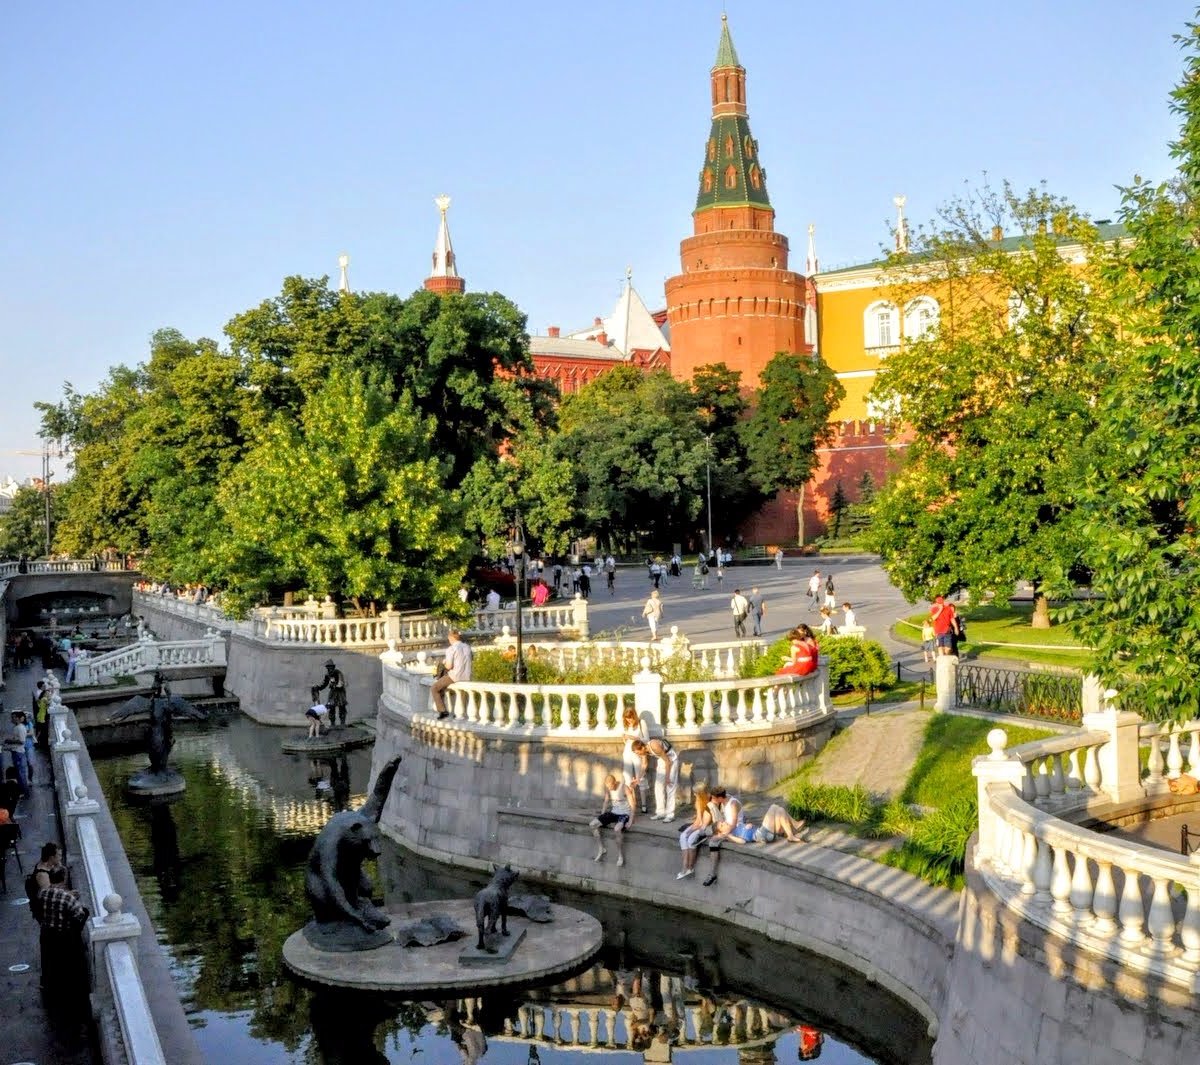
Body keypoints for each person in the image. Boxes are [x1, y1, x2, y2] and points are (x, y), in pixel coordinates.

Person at [37, 865, 89, 992]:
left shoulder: (42, 893)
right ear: (63, 879)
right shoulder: (68, 898)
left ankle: (46, 983)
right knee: (85, 912)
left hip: (46, 933)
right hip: (63, 935)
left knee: (47, 959)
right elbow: (79, 915)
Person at [590, 772, 637, 866]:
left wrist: (631, 820)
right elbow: (606, 801)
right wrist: (602, 816)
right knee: (592, 824)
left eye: (610, 786)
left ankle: (620, 855)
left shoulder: (624, 788)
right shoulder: (608, 789)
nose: (609, 789)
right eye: (607, 787)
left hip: (624, 814)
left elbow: (633, 805)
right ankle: (601, 849)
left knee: (617, 829)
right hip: (613, 812)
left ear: (614, 783)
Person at [702, 787, 745, 886]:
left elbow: (733, 824)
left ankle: (712, 874)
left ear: (720, 798)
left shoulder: (733, 804)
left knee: (713, 841)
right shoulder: (725, 799)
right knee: (706, 832)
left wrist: (723, 835)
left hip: (736, 829)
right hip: (726, 826)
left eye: (714, 798)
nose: (712, 800)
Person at [632, 736, 680, 822]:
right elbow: (644, 765)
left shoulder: (654, 745)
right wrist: (638, 778)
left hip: (671, 760)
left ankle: (670, 815)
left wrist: (667, 777)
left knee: (670, 788)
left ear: (642, 747)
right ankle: (660, 813)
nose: (639, 755)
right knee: (658, 787)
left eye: (638, 753)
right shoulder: (644, 752)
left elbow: (668, 762)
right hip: (662, 760)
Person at [432, 629, 473, 719]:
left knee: (435, 688)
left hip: (455, 676)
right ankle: (463, 713)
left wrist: (444, 663)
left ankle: (443, 711)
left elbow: (449, 666)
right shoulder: (467, 647)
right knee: (461, 694)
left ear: (451, 638)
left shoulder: (451, 649)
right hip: (467, 675)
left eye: (449, 639)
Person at [676, 785, 713, 879]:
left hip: (708, 826)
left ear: (701, 793)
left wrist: (693, 829)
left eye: (696, 793)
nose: (694, 794)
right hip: (701, 823)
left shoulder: (710, 802)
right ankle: (685, 866)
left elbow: (704, 823)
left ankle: (690, 867)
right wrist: (691, 828)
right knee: (683, 836)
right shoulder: (698, 801)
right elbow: (698, 819)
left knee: (691, 840)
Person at [621, 706, 649, 813]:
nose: (629, 719)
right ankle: (631, 804)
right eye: (627, 718)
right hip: (627, 753)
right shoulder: (626, 725)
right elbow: (626, 741)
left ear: (634, 715)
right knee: (627, 778)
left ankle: (644, 805)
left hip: (637, 753)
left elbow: (646, 739)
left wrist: (633, 737)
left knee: (640, 777)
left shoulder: (641, 723)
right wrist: (624, 738)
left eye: (630, 717)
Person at [312, 660, 348, 727]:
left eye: (330, 667)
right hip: (333, 692)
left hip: (340, 692)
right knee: (331, 707)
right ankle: (332, 724)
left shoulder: (338, 673)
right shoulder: (327, 674)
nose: (329, 669)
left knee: (342, 707)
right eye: (328, 667)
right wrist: (318, 687)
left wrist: (336, 685)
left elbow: (341, 683)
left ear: (333, 667)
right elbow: (324, 684)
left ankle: (343, 723)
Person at [5, 710, 30, 797]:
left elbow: (21, 741)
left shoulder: (20, 728)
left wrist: (10, 741)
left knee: (21, 773)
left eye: (14, 717)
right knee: (19, 773)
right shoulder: (17, 727)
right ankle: (23, 791)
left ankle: (25, 792)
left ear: (19, 718)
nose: (12, 719)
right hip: (16, 752)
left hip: (18, 753)